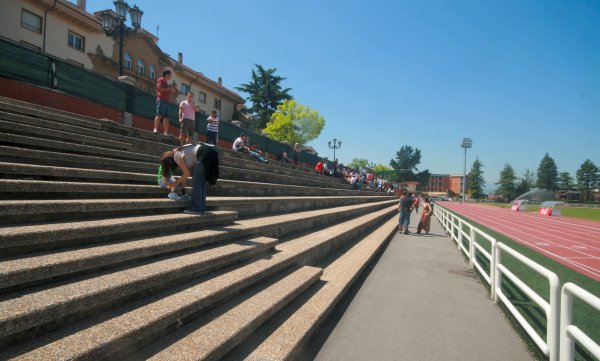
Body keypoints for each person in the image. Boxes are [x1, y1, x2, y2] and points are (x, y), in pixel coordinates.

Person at [162, 143, 220, 214]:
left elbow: (186, 174)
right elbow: (184, 175)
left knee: (196, 182)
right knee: (202, 182)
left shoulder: (176, 155)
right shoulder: (181, 152)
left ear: (170, 163)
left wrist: (174, 183)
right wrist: (183, 192)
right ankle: (201, 208)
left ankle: (196, 209)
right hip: (211, 152)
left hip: (203, 154)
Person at [154, 70, 176, 135]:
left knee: (167, 117)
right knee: (159, 114)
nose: (171, 76)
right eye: (170, 75)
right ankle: (155, 129)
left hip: (167, 101)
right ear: (167, 75)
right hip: (161, 99)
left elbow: (170, 92)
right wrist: (169, 89)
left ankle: (165, 132)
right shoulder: (160, 80)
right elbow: (160, 88)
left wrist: (172, 90)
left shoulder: (166, 82)